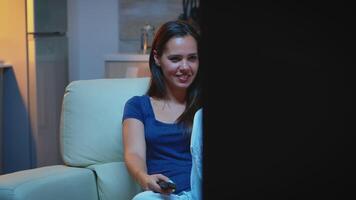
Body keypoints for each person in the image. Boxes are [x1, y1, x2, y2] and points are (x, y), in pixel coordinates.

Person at [122, 20, 202, 200]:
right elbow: (133, 153)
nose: (185, 67)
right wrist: (145, 178)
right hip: (166, 196)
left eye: (192, 58)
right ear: (157, 58)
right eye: (175, 59)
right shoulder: (138, 106)